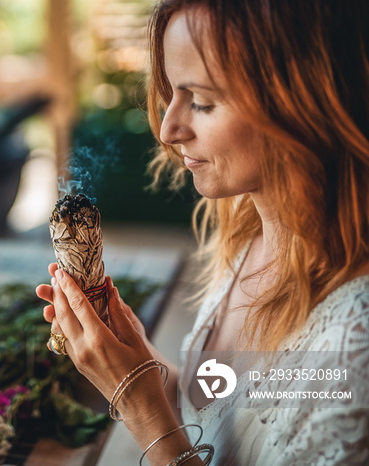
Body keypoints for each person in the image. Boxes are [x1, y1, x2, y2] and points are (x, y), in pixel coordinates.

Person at [36, 0, 369, 464]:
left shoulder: (356, 343)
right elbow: (220, 409)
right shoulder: (248, 236)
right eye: (170, 92)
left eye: (202, 101)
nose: (169, 129)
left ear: (302, 105)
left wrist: (138, 405)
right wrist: (138, 363)